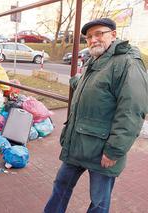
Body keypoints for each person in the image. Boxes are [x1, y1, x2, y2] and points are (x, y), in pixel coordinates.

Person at [44, 18, 148, 213]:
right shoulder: (96, 59)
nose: (93, 40)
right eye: (89, 37)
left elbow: (132, 110)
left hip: (103, 151)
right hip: (78, 143)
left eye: (99, 33)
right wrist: (78, 81)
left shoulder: (127, 64)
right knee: (61, 185)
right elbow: (98, 87)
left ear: (113, 35)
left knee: (99, 202)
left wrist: (114, 150)